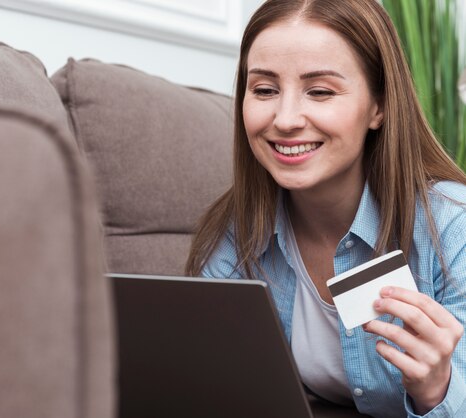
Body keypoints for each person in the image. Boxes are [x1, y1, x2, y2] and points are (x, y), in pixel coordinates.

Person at [184, 0, 466, 417]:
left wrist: (435, 391)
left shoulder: (452, 226)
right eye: (264, 89)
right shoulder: (237, 230)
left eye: (320, 91)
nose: (285, 118)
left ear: (379, 106)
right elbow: (204, 380)